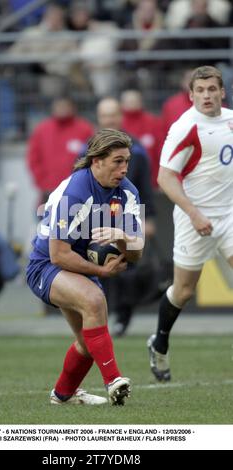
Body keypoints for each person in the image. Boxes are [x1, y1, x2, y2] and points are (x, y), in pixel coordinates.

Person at [27, 128, 144, 405]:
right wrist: (102, 272)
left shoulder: (127, 193)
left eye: (127, 161)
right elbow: (58, 255)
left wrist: (123, 238)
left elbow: (137, 254)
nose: (124, 168)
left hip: (78, 268)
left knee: (88, 343)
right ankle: (113, 380)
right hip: (45, 266)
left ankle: (62, 395)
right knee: (94, 300)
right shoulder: (76, 191)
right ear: (97, 161)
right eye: (117, 161)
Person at [148, 65, 233, 381]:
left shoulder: (230, 119)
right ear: (191, 95)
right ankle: (159, 344)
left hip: (229, 216)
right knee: (183, 291)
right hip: (193, 218)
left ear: (221, 92)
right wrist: (194, 213)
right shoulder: (185, 127)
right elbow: (165, 177)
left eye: (212, 89)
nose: (207, 96)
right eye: (200, 91)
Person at [95, 97, 156, 337]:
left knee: (127, 269)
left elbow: (145, 186)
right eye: (104, 115)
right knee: (99, 266)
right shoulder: (88, 151)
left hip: (128, 216)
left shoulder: (136, 149)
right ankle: (102, 317)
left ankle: (123, 317)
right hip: (98, 216)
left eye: (113, 114)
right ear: (99, 119)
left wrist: (148, 218)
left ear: (120, 117)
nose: (109, 119)